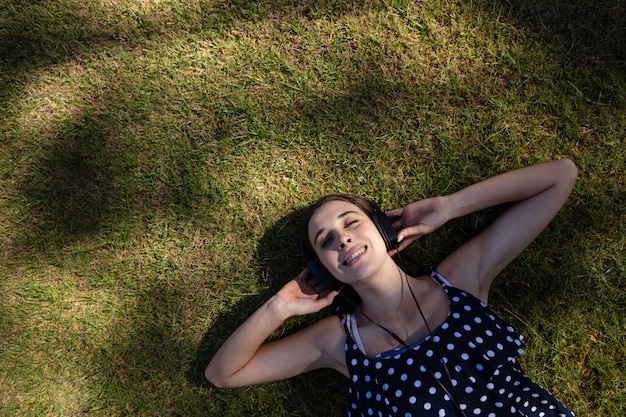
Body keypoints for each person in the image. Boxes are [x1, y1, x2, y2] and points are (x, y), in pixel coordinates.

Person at [205, 159, 578, 417]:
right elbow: (224, 374)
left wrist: (449, 207)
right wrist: (279, 308)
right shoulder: (339, 341)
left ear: (383, 229)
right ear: (323, 268)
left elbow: (560, 176)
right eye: (326, 241)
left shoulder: (459, 280)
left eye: (351, 222)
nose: (344, 240)